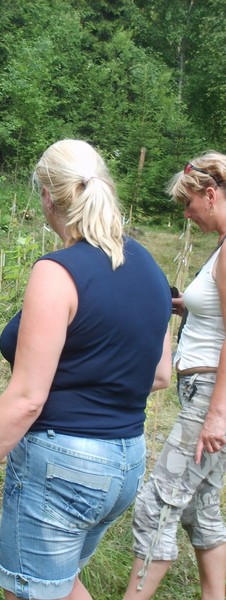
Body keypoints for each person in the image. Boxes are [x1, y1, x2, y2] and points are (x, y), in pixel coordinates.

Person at [0, 139, 172, 600]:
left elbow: (27, 398)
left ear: (47, 195)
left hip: (64, 466)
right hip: (124, 463)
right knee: (58, 587)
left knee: (31, 592)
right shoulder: (148, 264)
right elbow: (161, 374)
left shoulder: (57, 272)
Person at [123, 153, 226, 600]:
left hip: (212, 395)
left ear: (210, 193)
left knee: (155, 505)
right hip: (203, 391)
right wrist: (183, 304)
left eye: (188, 204)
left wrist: (217, 414)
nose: (186, 215)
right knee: (200, 507)